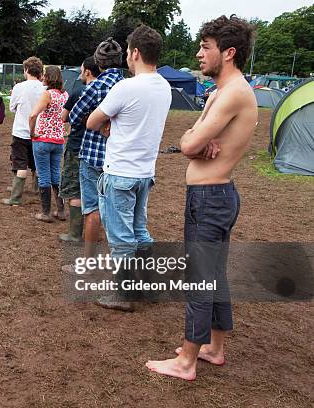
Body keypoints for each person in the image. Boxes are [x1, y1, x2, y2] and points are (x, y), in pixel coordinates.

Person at [145, 15, 257, 381]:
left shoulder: (234, 92)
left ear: (229, 53)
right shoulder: (223, 92)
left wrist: (195, 141)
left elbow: (189, 143)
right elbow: (192, 140)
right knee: (214, 276)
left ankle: (186, 362)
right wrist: (195, 139)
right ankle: (214, 348)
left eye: (205, 47)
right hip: (214, 195)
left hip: (211, 199)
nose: (198, 53)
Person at [87, 25, 172, 312]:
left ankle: (123, 294)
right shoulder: (164, 87)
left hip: (120, 171)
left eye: (127, 52)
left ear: (135, 53)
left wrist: (110, 125)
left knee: (121, 238)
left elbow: (91, 122)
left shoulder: (125, 87)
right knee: (139, 232)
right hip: (145, 173)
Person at [68, 38, 123, 260]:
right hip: (119, 158)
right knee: (119, 212)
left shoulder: (97, 86)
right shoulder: (127, 85)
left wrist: (98, 120)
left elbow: (74, 116)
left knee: (92, 209)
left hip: (93, 155)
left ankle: (89, 261)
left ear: (99, 63)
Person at [59, 56, 100, 241]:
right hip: (99, 149)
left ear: (88, 72)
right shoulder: (108, 91)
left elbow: (64, 117)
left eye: (82, 70)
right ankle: (94, 233)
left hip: (77, 145)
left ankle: (75, 234)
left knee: (75, 190)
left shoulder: (79, 92)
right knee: (96, 192)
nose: (81, 74)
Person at [2, 56, 45, 205]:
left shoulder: (19, 87)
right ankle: (36, 189)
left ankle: (15, 197)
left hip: (21, 131)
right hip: (39, 132)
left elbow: (12, 107)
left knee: (20, 163)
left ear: (26, 70)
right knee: (37, 164)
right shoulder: (44, 88)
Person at [28, 66, 68, 222]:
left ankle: (46, 213)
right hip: (58, 140)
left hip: (43, 140)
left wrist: (32, 132)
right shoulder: (65, 95)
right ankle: (61, 210)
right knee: (56, 175)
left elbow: (33, 115)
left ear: (48, 77)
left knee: (44, 175)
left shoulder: (47, 94)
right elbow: (67, 116)